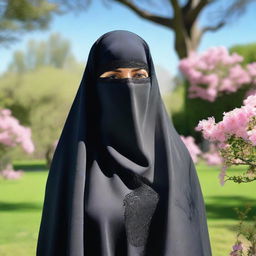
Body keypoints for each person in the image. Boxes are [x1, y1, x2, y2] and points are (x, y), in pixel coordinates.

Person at [36, 30, 212, 256]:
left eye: (139, 76)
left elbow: (191, 241)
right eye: (112, 77)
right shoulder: (75, 160)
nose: (128, 86)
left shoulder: (176, 160)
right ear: (93, 85)